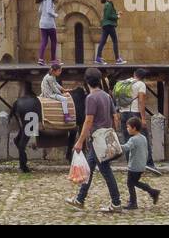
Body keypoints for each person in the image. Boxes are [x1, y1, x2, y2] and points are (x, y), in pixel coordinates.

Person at [66, 68, 123, 212]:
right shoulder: (106, 96)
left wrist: (79, 141)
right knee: (89, 170)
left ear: (87, 81)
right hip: (102, 139)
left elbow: (88, 121)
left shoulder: (91, 98)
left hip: (97, 140)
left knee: (106, 171)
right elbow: (115, 117)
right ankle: (80, 199)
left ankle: (116, 203)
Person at [119, 116, 160, 209]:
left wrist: (117, 145)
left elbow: (126, 148)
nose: (127, 129)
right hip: (141, 165)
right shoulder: (143, 138)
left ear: (134, 128)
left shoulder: (133, 139)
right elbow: (146, 151)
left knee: (130, 184)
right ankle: (153, 192)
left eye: (128, 127)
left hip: (134, 166)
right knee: (135, 182)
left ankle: (133, 203)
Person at [95, 0, 125, 64]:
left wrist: (117, 14)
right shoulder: (108, 4)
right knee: (114, 41)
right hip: (109, 25)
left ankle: (98, 58)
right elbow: (108, 16)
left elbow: (109, 14)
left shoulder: (108, 4)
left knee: (103, 41)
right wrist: (117, 16)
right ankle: (117, 59)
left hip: (106, 25)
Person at [115, 67, 149, 133]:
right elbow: (141, 101)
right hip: (134, 113)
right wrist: (143, 119)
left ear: (134, 74)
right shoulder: (141, 84)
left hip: (123, 113)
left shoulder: (124, 82)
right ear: (144, 78)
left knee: (126, 137)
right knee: (140, 135)